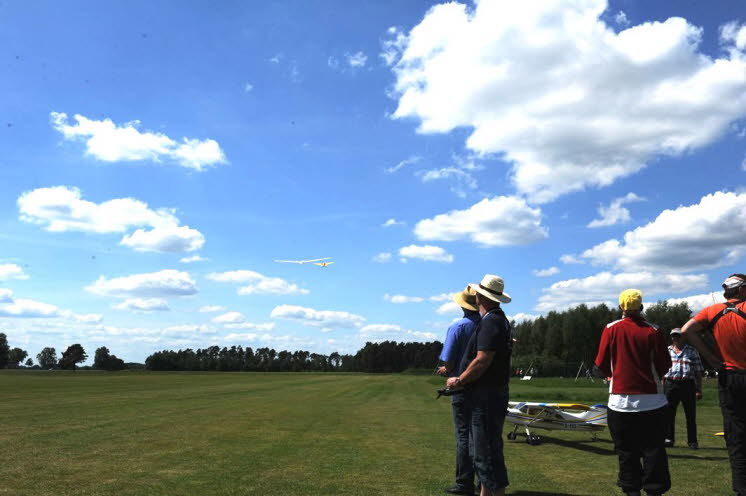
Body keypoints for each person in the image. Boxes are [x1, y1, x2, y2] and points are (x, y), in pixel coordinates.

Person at [595, 289, 671, 496]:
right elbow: (665, 364)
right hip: (653, 401)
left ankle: (631, 490)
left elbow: (601, 364)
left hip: (619, 402)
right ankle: (654, 491)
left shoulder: (610, 329)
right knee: (653, 450)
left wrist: (614, 375)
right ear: (641, 306)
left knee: (626, 452)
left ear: (621, 307)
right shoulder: (654, 330)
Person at [446, 274, 512, 496]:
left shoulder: (491, 321)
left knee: (486, 453)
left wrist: (459, 380)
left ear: (481, 297)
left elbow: (483, 359)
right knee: (487, 452)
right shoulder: (496, 319)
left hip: (485, 397)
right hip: (490, 395)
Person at [682, 274, 746, 496]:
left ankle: (741, 488)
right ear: (741, 290)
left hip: (728, 377)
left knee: (735, 434)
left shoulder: (712, 311)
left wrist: (711, 358)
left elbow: (686, 330)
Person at [437, 286, 481, 495]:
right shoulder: (489, 325)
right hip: (486, 389)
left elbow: (450, 361)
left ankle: (464, 483)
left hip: (461, 387)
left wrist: (446, 370)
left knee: (464, 437)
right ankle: (484, 483)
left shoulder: (457, 327)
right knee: (482, 437)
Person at [663, 328, 703, 449]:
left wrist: (699, 389)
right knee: (668, 414)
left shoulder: (692, 351)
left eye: (678, 336)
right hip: (670, 384)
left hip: (687, 385)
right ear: (671, 337)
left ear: (683, 337)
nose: (676, 338)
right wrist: (660, 388)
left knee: (690, 415)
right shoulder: (667, 351)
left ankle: (692, 441)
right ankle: (669, 439)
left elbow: (698, 372)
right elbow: (661, 371)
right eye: (673, 336)